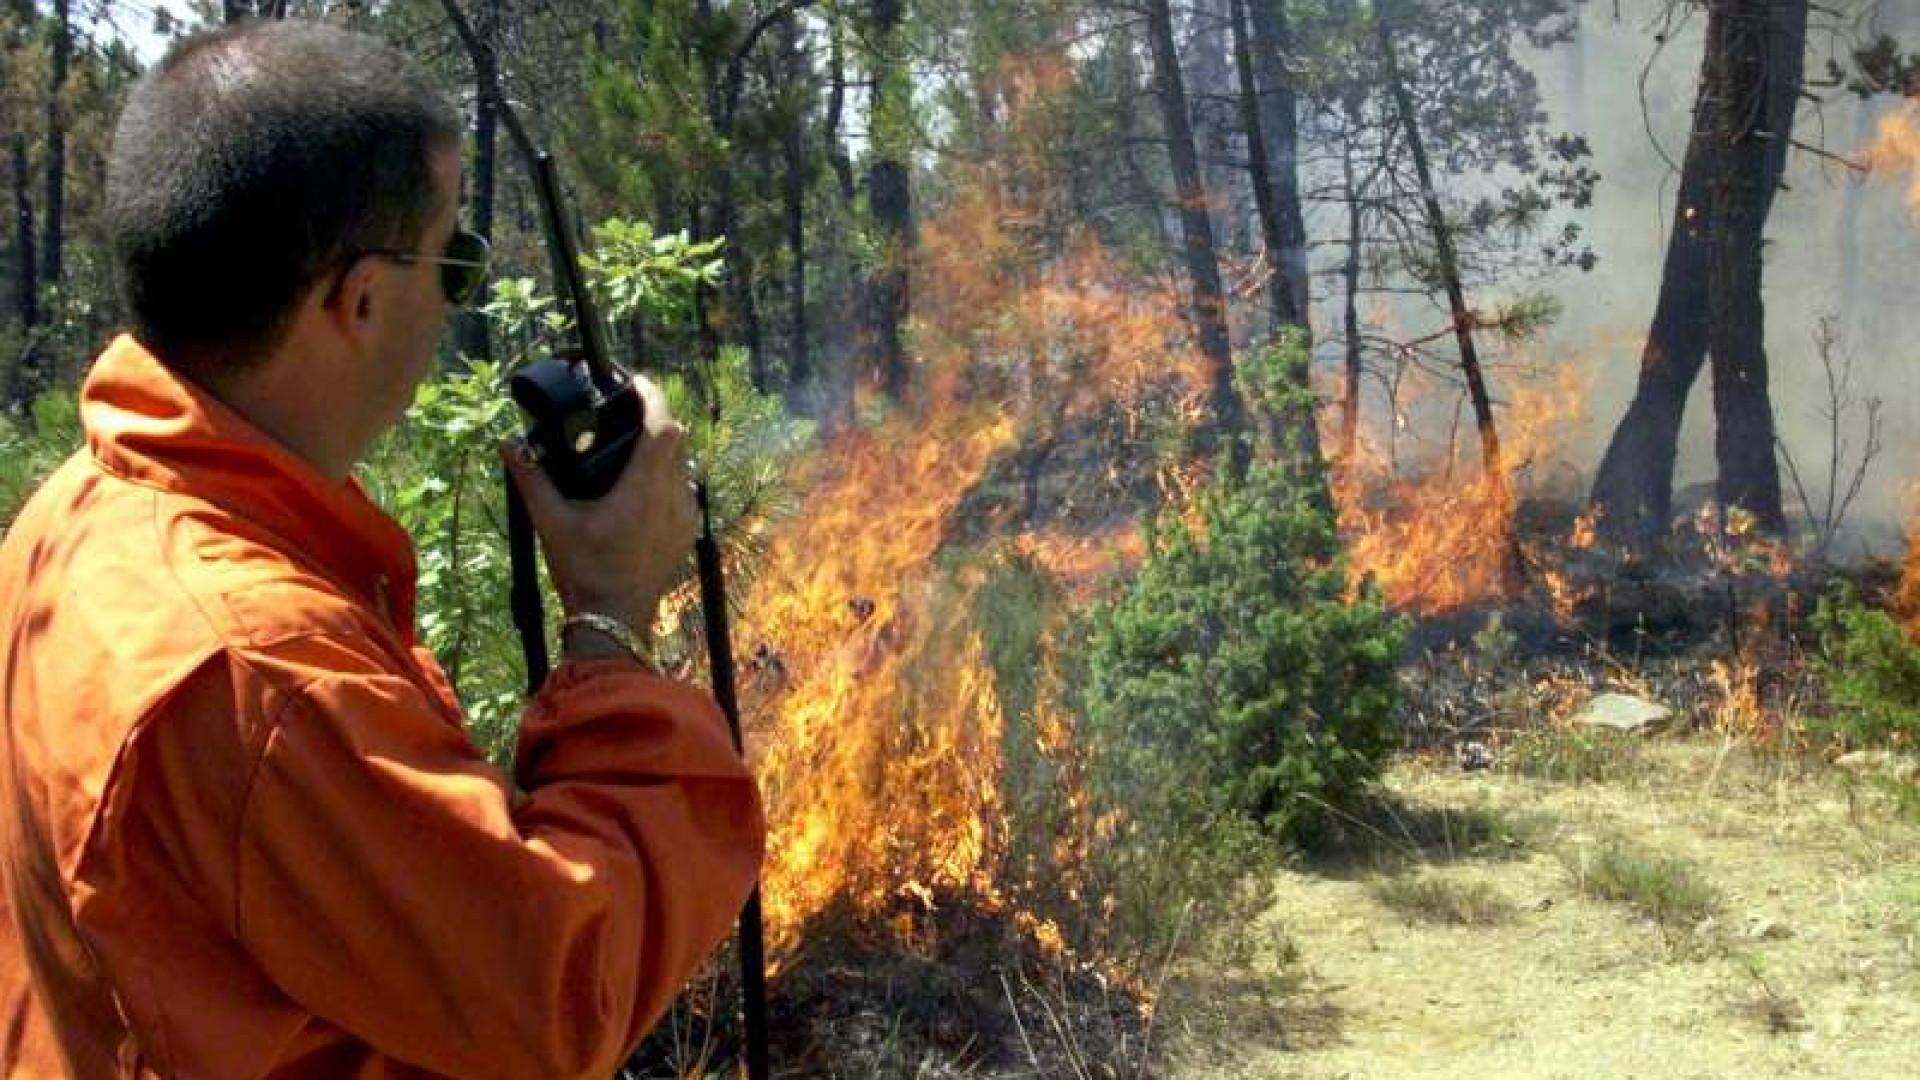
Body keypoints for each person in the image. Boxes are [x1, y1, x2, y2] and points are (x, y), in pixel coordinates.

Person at [0, 19, 764, 1080]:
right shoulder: (262, 674)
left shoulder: (73, 515)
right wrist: (609, 619)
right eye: (456, 259)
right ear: (357, 300)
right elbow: (556, 989)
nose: (456, 302)